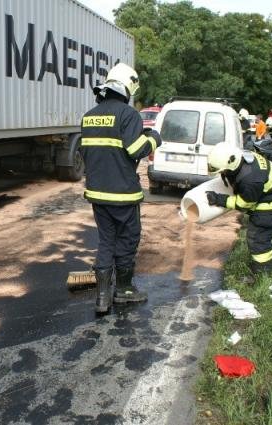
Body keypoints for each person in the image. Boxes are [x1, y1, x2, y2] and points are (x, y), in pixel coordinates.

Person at [80, 63, 161, 313]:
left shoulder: (90, 115)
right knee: (127, 240)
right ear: (127, 88)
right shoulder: (129, 114)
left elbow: (88, 154)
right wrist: (153, 139)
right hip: (124, 195)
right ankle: (124, 291)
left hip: (97, 193)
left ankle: (102, 298)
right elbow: (136, 150)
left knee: (105, 241)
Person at [205, 142, 272, 281]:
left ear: (231, 165)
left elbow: (244, 204)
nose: (222, 173)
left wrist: (219, 199)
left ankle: (261, 274)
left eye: (222, 171)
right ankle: (266, 251)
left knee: (256, 237)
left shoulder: (250, 180)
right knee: (263, 236)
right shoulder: (243, 157)